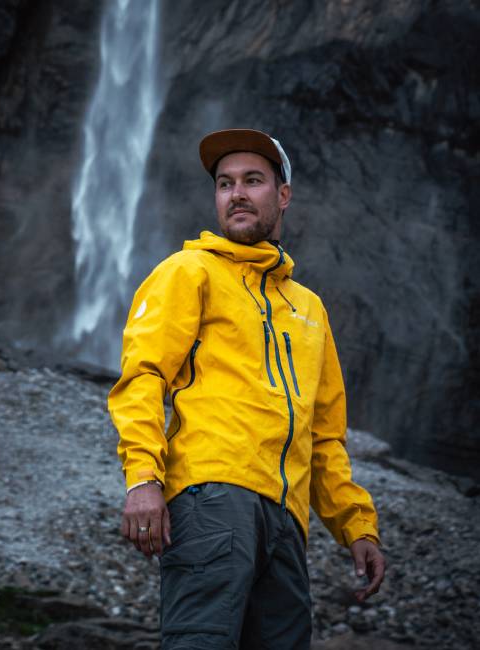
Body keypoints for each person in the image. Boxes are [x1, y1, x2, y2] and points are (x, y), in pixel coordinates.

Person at [108, 128, 385, 649]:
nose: (235, 193)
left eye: (253, 180)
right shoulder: (188, 271)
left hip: (287, 522)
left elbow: (325, 436)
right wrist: (142, 478)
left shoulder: (310, 309)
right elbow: (142, 375)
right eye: (224, 183)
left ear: (283, 196)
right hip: (213, 499)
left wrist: (357, 527)